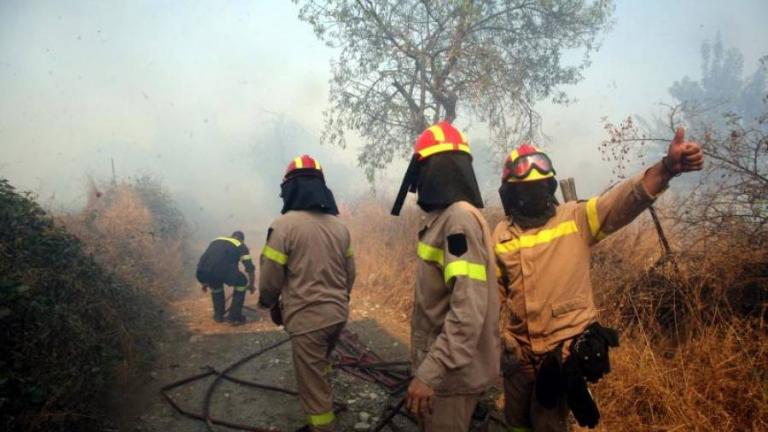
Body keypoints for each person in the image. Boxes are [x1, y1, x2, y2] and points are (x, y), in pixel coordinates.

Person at [494, 127, 704, 431]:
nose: (532, 194)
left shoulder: (575, 219)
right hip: (517, 357)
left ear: (549, 185)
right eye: (524, 189)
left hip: (559, 353)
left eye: (539, 186)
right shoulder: (500, 236)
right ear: (510, 194)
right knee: (515, 422)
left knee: (547, 423)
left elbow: (624, 200)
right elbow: (490, 298)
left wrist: (667, 168)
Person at [391, 121, 500, 432]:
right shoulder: (447, 219)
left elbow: (467, 312)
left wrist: (430, 373)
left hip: (451, 377)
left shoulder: (458, 221)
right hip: (448, 370)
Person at [258, 155, 355, 432]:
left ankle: (323, 424)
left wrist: (269, 303)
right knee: (320, 365)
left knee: (312, 390)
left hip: (306, 320)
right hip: (337, 315)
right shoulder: (340, 227)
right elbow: (351, 273)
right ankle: (323, 400)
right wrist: (339, 299)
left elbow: (270, 276)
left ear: (289, 188)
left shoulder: (283, 226)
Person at [195, 230, 255, 325]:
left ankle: (218, 316)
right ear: (242, 240)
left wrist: (204, 281)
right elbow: (250, 268)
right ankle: (234, 317)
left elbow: (206, 259)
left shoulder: (216, 240)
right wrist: (251, 285)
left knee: (216, 287)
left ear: (231, 236)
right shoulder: (241, 245)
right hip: (226, 271)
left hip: (206, 272)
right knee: (242, 282)